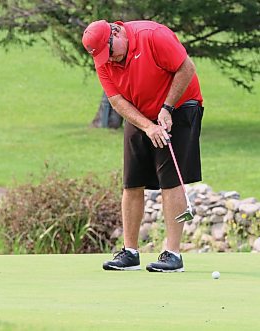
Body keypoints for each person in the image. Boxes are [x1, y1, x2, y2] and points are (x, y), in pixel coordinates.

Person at [82, 19, 204, 272]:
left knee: (169, 180)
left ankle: (173, 254)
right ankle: (130, 252)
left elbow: (186, 68)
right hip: (140, 113)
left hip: (181, 106)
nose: (110, 60)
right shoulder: (103, 59)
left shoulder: (152, 36)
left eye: (111, 52)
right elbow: (116, 100)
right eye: (104, 57)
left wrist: (167, 108)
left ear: (116, 32)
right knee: (132, 181)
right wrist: (148, 126)